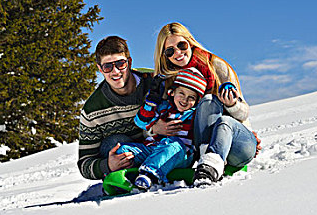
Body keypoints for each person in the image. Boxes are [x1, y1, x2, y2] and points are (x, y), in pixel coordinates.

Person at [154, 22, 261, 184]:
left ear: (190, 42)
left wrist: (232, 105)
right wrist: (154, 128)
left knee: (212, 104)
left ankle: (210, 161)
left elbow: (244, 113)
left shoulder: (216, 66)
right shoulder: (167, 81)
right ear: (164, 55)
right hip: (196, 147)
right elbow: (152, 113)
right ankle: (208, 163)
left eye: (181, 45)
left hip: (233, 141)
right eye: (170, 50)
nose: (178, 53)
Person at [116, 67, 208, 190]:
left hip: (179, 154)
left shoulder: (194, 114)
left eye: (191, 97)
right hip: (154, 149)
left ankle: (148, 174)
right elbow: (140, 122)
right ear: (172, 92)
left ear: (197, 101)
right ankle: (125, 173)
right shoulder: (164, 108)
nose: (185, 100)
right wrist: (151, 103)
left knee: (172, 145)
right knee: (124, 149)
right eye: (181, 93)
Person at [77, 36, 154, 180]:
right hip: (127, 157)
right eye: (107, 66)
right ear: (100, 69)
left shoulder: (153, 82)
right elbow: (84, 164)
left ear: (129, 62)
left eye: (120, 63)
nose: (115, 72)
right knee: (115, 143)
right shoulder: (92, 111)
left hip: (160, 145)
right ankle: (129, 179)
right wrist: (107, 165)